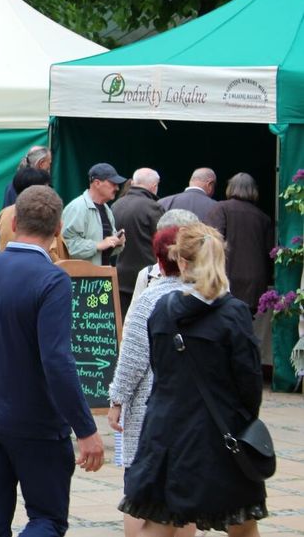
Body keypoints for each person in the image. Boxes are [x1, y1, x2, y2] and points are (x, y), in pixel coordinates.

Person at [0, 185, 104, 536]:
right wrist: (86, 428)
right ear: (59, 228)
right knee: (47, 519)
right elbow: (57, 361)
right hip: (36, 422)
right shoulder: (52, 280)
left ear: (13, 221)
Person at [119, 223, 267, 535]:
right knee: (241, 526)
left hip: (167, 431)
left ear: (182, 262)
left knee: (158, 525)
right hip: (221, 433)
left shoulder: (161, 309)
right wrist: (242, 418)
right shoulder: (234, 313)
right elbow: (250, 382)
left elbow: (160, 370)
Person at [107, 226, 193, 537]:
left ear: (158, 258)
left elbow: (132, 361)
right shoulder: (208, 300)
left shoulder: (149, 300)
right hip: (193, 415)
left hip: (151, 411)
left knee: (140, 494)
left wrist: (117, 401)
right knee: (184, 491)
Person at [205, 173, 275, 313]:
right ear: (254, 190)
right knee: (245, 323)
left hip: (226, 279)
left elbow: (211, 242)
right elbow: (271, 253)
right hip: (255, 283)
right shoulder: (263, 218)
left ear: (230, 188)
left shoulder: (221, 208)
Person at [113, 168, 164, 315]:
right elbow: (162, 243)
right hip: (145, 278)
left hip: (119, 276)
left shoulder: (116, 205)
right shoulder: (153, 207)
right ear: (154, 186)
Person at [0, 167, 66, 261]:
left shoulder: (5, 213)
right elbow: (52, 252)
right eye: (46, 186)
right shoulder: (42, 213)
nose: (49, 190)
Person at [62, 162, 126, 266]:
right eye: (113, 183)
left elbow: (104, 251)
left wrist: (117, 243)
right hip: (81, 280)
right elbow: (66, 245)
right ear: (97, 183)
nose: (117, 188)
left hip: (102, 278)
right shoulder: (77, 207)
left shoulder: (107, 210)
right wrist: (98, 245)